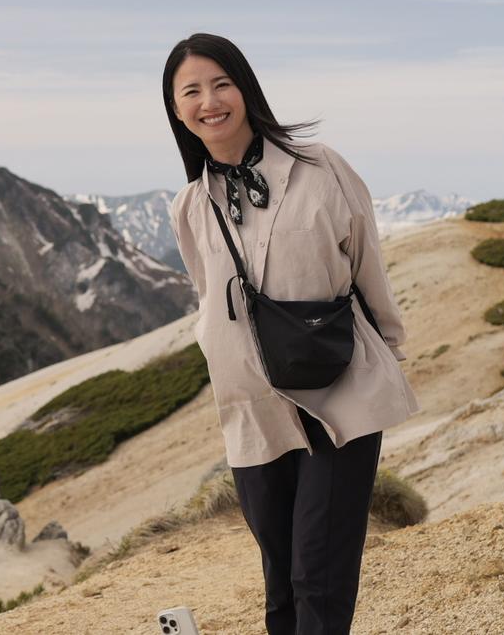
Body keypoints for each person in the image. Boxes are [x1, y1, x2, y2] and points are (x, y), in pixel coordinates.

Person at [163, 33, 419, 635]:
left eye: (221, 83)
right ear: (176, 111)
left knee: (318, 578)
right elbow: (210, 299)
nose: (210, 100)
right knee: (280, 583)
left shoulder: (319, 167)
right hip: (252, 410)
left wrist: (390, 350)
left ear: (247, 89)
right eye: (191, 91)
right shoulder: (190, 205)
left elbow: (366, 263)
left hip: (339, 389)